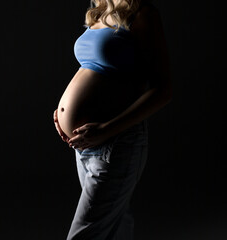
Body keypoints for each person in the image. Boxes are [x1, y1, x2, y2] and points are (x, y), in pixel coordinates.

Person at [53, 0, 172, 239]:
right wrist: (62, 111)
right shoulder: (99, 10)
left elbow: (163, 90)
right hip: (86, 145)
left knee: (86, 233)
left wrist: (106, 129)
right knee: (115, 228)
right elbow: (92, 66)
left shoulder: (142, 14)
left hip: (117, 142)